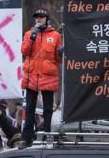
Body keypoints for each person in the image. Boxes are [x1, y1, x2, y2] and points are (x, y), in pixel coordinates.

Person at [19, 9, 63, 149]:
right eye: (36, 17)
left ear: (47, 19)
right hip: (31, 76)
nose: (38, 19)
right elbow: (24, 51)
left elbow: (58, 59)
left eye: (41, 17)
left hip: (47, 76)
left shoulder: (56, 36)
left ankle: (48, 135)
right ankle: (26, 138)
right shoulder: (28, 33)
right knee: (30, 108)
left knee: (47, 109)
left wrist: (61, 53)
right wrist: (32, 37)